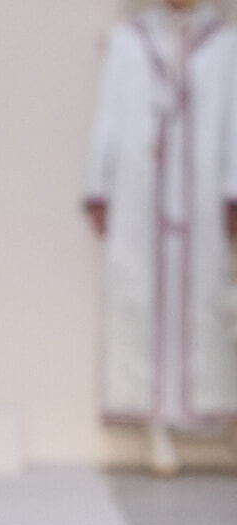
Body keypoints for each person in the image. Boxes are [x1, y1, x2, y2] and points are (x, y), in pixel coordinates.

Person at [84, 0, 237, 475]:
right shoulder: (130, 40)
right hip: (142, 192)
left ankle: (212, 418)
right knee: (139, 301)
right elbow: (109, 113)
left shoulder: (224, 41)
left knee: (207, 304)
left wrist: (234, 188)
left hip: (201, 194)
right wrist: (99, 184)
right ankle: (154, 423)